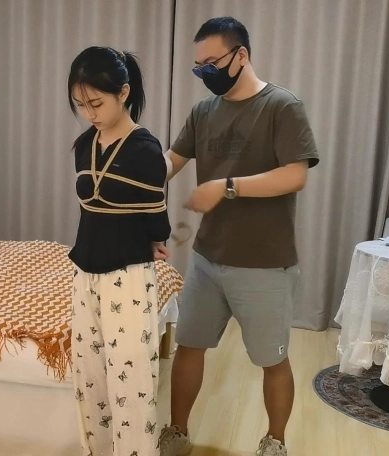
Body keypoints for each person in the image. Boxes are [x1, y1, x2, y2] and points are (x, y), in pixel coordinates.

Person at [157, 17, 320, 456]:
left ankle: (275, 441)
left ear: (241, 55)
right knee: (189, 346)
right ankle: (176, 431)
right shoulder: (203, 112)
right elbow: (171, 161)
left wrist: (226, 187)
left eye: (212, 62)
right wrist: (135, 166)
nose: (204, 72)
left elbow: (295, 175)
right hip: (207, 258)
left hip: (265, 263)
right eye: (199, 66)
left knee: (272, 359)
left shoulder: (282, 106)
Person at [66, 46, 172, 456]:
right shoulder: (84, 145)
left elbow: (156, 218)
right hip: (84, 273)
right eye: (80, 105)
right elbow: (90, 211)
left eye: (96, 103)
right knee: (90, 382)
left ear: (123, 93)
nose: (88, 113)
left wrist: (156, 239)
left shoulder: (145, 149)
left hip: (127, 276)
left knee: (132, 389)